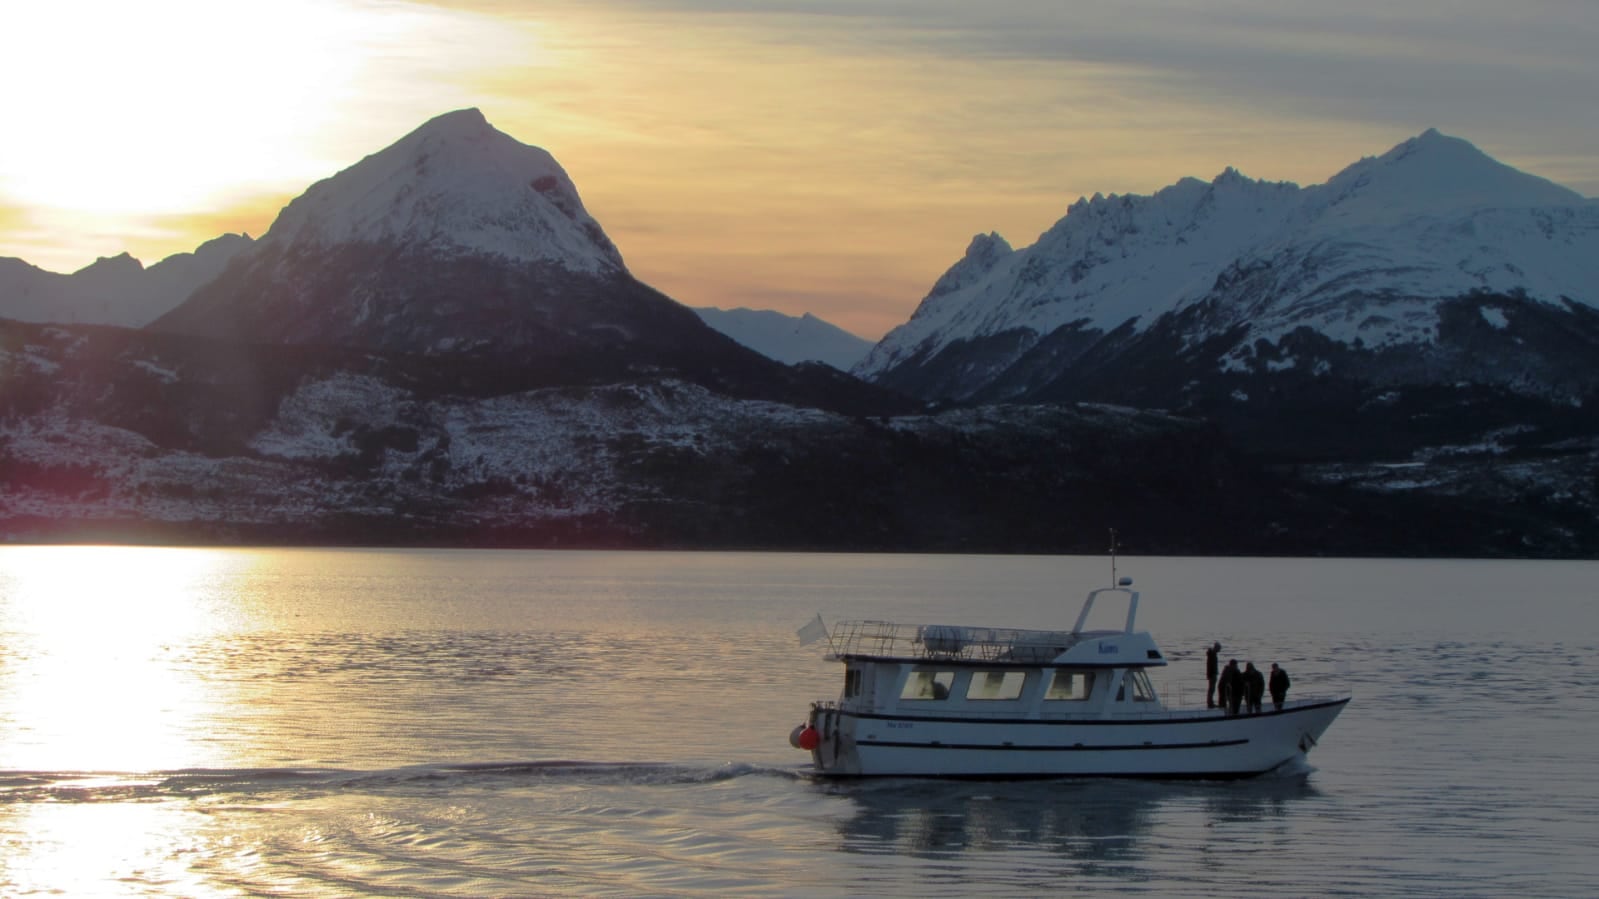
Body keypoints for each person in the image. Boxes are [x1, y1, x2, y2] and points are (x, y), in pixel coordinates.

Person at [1205, 642, 1221, 708]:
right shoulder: (1212, 655)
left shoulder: (1212, 654)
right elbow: (1211, 666)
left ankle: (1210, 702)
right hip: (1212, 675)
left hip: (1212, 674)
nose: (1220, 650)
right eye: (1219, 648)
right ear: (1216, 648)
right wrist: (1212, 674)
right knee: (1211, 689)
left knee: (1211, 689)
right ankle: (1210, 703)